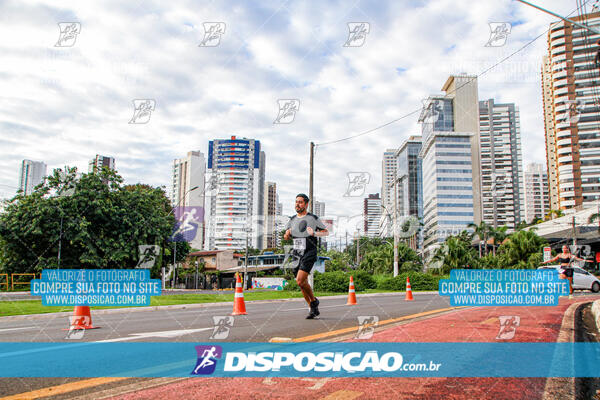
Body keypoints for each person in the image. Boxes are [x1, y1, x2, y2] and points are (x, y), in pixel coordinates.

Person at [284, 194, 329, 319]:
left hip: (309, 251)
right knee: (301, 283)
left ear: (306, 204)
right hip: (297, 253)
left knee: (300, 280)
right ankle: (313, 306)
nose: (297, 204)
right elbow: (286, 237)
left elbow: (326, 232)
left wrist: (314, 233)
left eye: (300, 202)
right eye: (296, 202)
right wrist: (287, 234)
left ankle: (314, 303)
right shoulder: (292, 219)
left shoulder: (313, 218)